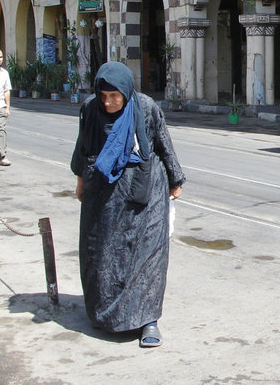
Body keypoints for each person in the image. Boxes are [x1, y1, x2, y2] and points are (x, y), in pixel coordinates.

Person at [71, 62, 186, 348]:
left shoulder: (145, 107)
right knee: (102, 253)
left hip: (144, 191)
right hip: (103, 194)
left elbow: (163, 144)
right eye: (104, 96)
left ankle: (148, 321)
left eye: (115, 96)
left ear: (126, 91)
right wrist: (81, 183)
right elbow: (83, 147)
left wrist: (175, 180)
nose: (108, 102)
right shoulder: (90, 109)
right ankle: (105, 315)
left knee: (147, 256)